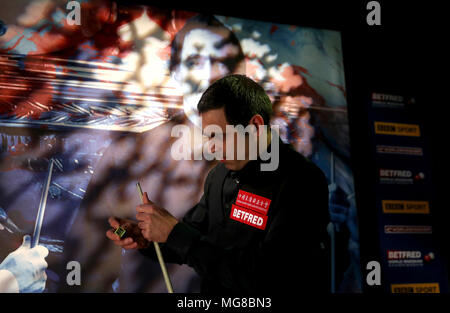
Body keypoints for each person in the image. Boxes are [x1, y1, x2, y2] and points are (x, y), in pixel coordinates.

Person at [106, 74, 330, 294]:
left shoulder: (302, 181)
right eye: (208, 137)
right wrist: (147, 236)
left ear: (255, 126)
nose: (211, 148)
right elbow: (196, 234)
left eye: (218, 136)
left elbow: (269, 278)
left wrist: (176, 235)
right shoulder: (220, 175)